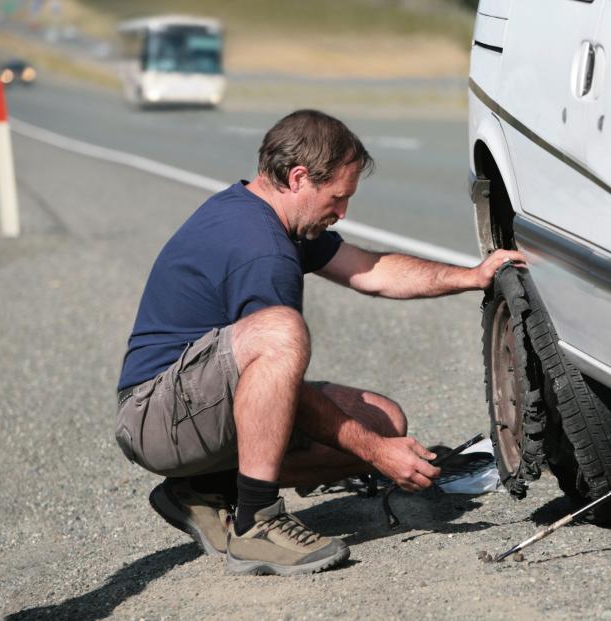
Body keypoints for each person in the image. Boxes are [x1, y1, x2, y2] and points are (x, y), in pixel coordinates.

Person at [115, 109, 524, 576]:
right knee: (283, 333)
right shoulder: (260, 247)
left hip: (194, 404)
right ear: (299, 177)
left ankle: (203, 487)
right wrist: (374, 452)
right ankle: (256, 523)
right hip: (155, 416)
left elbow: (372, 271)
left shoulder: (272, 216)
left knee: (384, 421)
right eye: (337, 197)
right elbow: (278, 369)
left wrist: (471, 277)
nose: (343, 212)